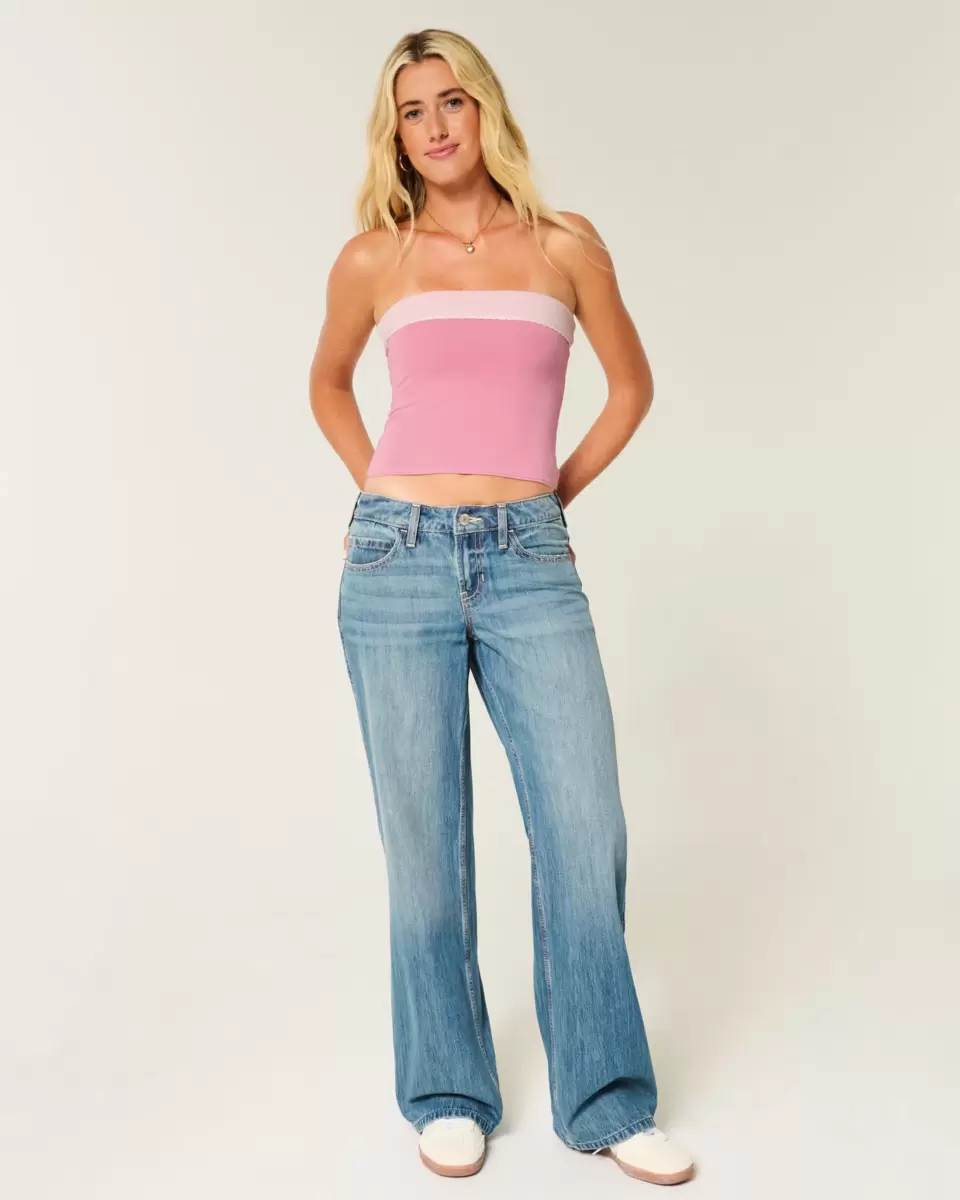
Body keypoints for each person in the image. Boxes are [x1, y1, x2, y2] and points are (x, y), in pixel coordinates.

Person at [309, 27, 696, 1186]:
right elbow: (326, 383)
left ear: (487, 110)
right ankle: (446, 1089)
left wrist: (547, 498)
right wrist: (380, 494)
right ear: (395, 134)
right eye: (412, 110)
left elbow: (630, 388)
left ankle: (607, 1097)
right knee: (424, 843)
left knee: (584, 826)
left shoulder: (566, 245)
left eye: (452, 101)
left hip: (529, 559)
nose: (435, 126)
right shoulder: (374, 258)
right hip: (396, 563)